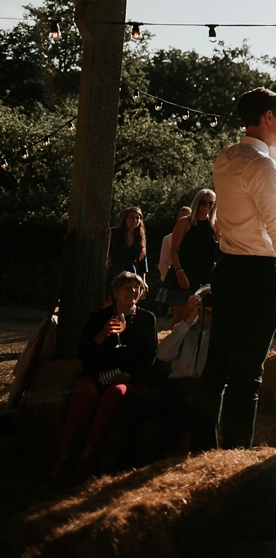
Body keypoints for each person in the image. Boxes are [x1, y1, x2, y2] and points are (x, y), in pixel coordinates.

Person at [198, 87, 276, 451]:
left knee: (216, 370)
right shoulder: (261, 166)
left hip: (228, 271)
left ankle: (200, 450)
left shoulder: (229, 156)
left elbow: (267, 161)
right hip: (256, 278)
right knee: (247, 376)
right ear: (267, 117)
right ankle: (234, 459)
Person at [51, 271, 158, 480]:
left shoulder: (147, 319)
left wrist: (128, 376)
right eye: (127, 287)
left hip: (129, 378)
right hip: (96, 374)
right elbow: (83, 354)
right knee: (86, 394)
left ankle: (86, 459)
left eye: (137, 288)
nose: (133, 291)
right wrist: (100, 335)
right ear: (116, 293)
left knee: (114, 394)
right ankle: (63, 457)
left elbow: (150, 358)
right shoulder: (99, 317)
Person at [120, 288, 212, 466]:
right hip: (174, 385)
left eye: (209, 312)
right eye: (202, 311)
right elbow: (162, 354)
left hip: (199, 390)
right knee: (136, 403)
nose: (205, 317)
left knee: (185, 408)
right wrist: (186, 321)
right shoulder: (185, 329)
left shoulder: (221, 335)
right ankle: (125, 461)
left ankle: (153, 458)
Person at [166, 189, 221, 327]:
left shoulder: (215, 225)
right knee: (180, 319)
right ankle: (169, 348)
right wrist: (179, 272)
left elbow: (221, 249)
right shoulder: (185, 222)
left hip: (205, 277)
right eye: (204, 202)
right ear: (197, 202)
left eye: (211, 203)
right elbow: (173, 251)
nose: (207, 206)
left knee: (201, 320)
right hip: (185, 275)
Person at [154, 206, 190, 313]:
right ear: (177, 219)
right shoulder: (168, 238)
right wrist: (172, 280)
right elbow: (163, 264)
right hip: (176, 279)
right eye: (182, 217)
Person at [108, 207, 148, 284]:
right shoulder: (114, 233)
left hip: (133, 272)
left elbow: (143, 260)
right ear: (125, 219)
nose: (135, 220)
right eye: (131, 217)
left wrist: (144, 280)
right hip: (115, 271)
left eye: (137, 218)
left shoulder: (140, 237)